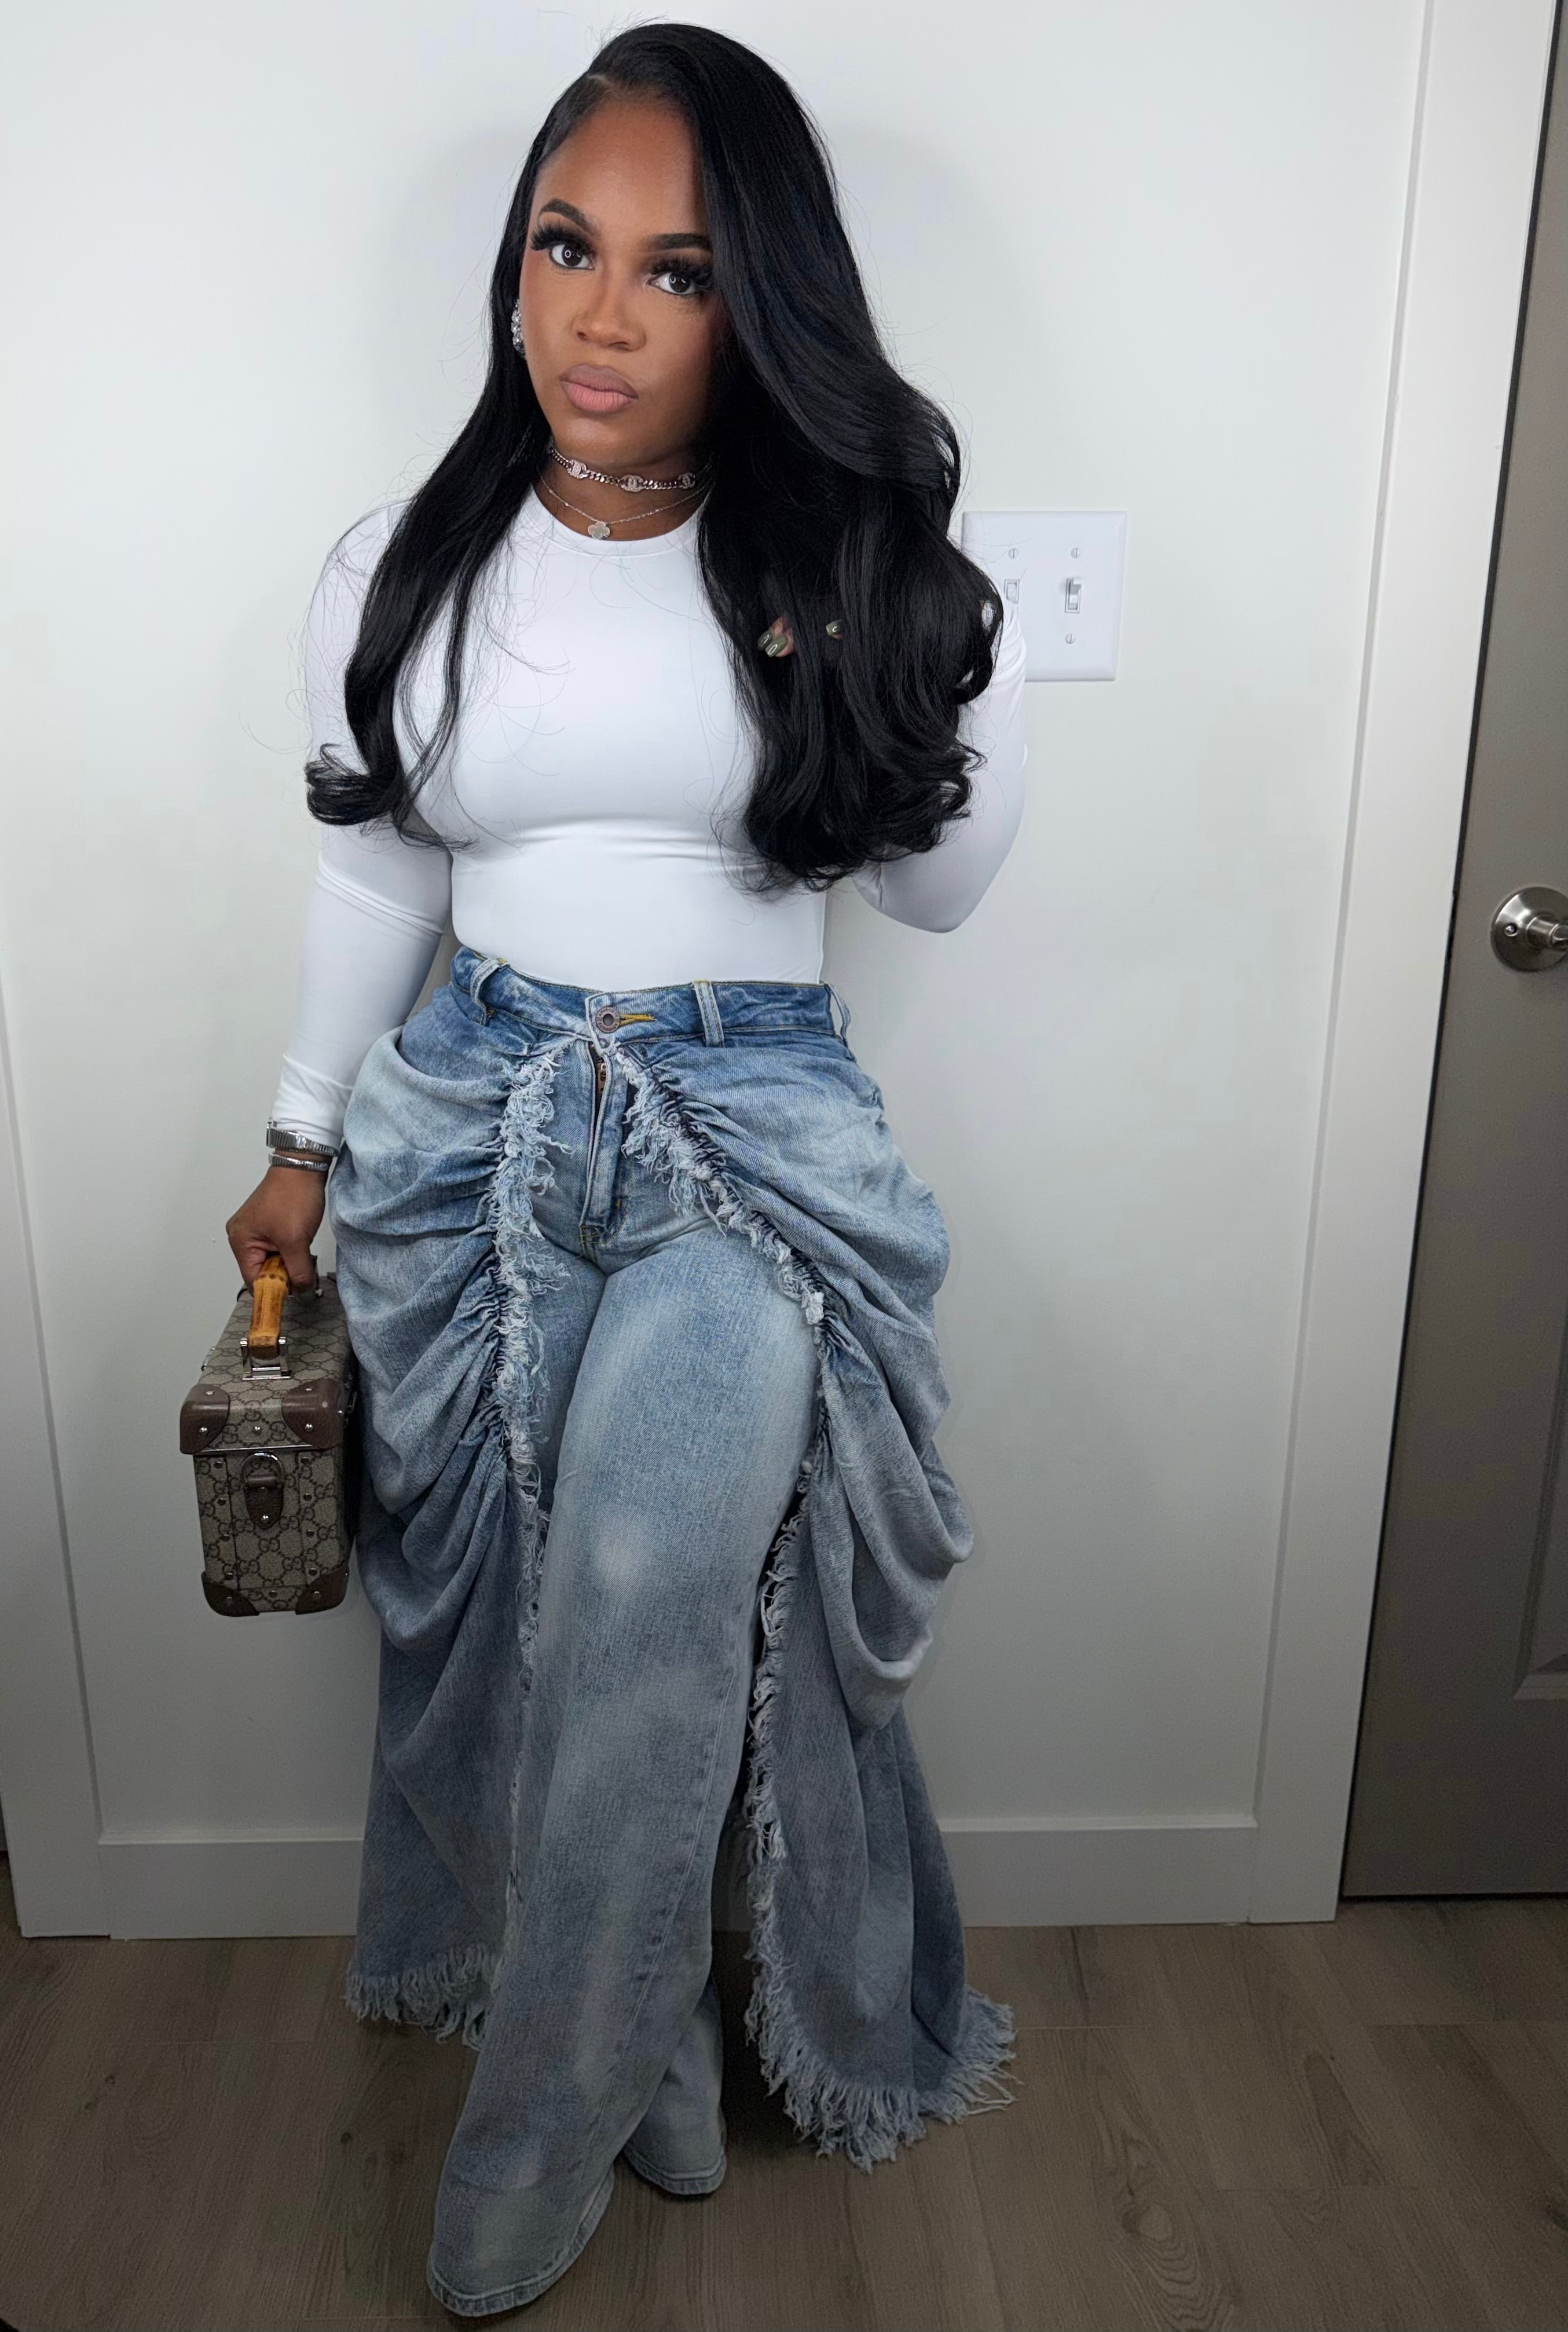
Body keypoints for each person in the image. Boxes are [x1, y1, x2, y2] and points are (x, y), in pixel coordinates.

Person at [225, 22, 1027, 2318]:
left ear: (755, 307)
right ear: (515, 262)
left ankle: (537, 2123)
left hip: (741, 1132)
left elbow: (942, 891)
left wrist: (894, 622)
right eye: (566, 248)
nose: (599, 317)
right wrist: (296, 1134)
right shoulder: (403, 561)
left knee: (659, 1570)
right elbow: (377, 867)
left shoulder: (828, 560)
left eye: (676, 274)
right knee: (500, 1605)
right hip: (466, 1119)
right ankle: (646, 2030)